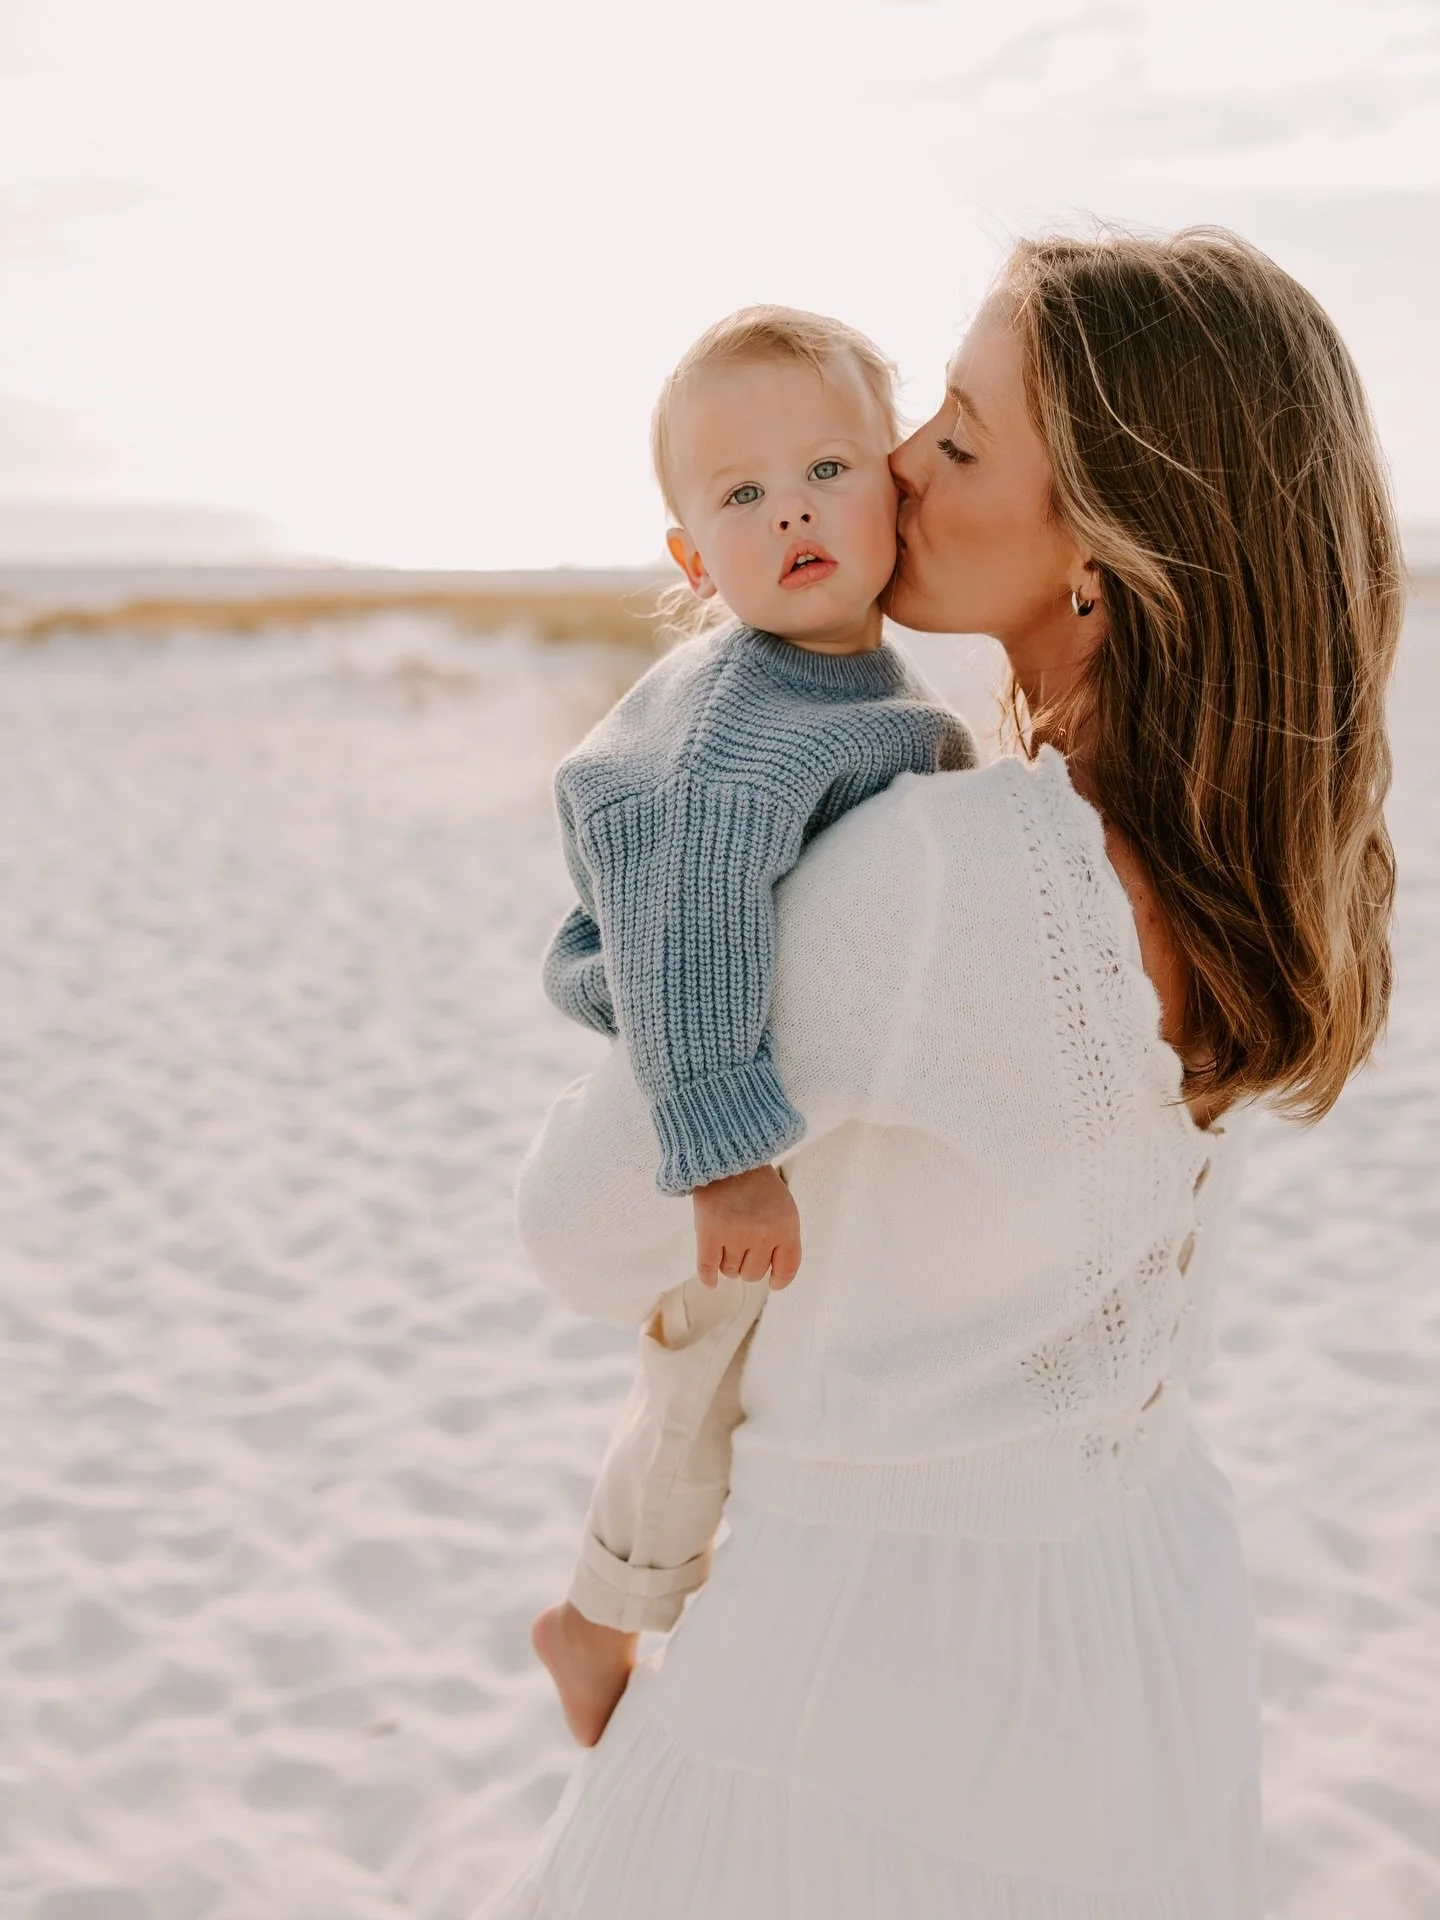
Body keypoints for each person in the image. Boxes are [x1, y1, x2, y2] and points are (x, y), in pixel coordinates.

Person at [477, 228, 1402, 1919]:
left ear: (1105, 560)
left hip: (879, 1670)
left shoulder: (934, 881)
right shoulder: (1253, 860)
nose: (900, 461)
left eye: (961, 439)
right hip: (1146, 1624)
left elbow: (584, 1227)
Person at [531, 305, 973, 1746]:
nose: (792, 507)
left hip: (722, 1034)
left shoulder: (837, 672)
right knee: (703, 1374)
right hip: (696, 1064)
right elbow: (691, 914)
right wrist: (726, 1148)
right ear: (692, 559)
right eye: (740, 494)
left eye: (829, 468)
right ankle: (599, 1616)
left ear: (894, 485)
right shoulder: (739, 735)